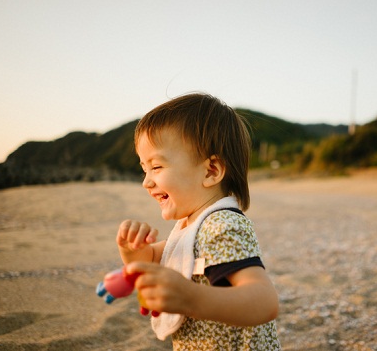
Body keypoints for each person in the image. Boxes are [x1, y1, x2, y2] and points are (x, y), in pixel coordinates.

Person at [116, 93, 281, 350]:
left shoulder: (221, 226)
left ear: (211, 171)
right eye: (144, 169)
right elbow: (149, 262)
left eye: (156, 167)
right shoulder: (189, 227)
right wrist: (133, 251)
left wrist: (191, 297)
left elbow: (264, 301)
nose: (146, 182)